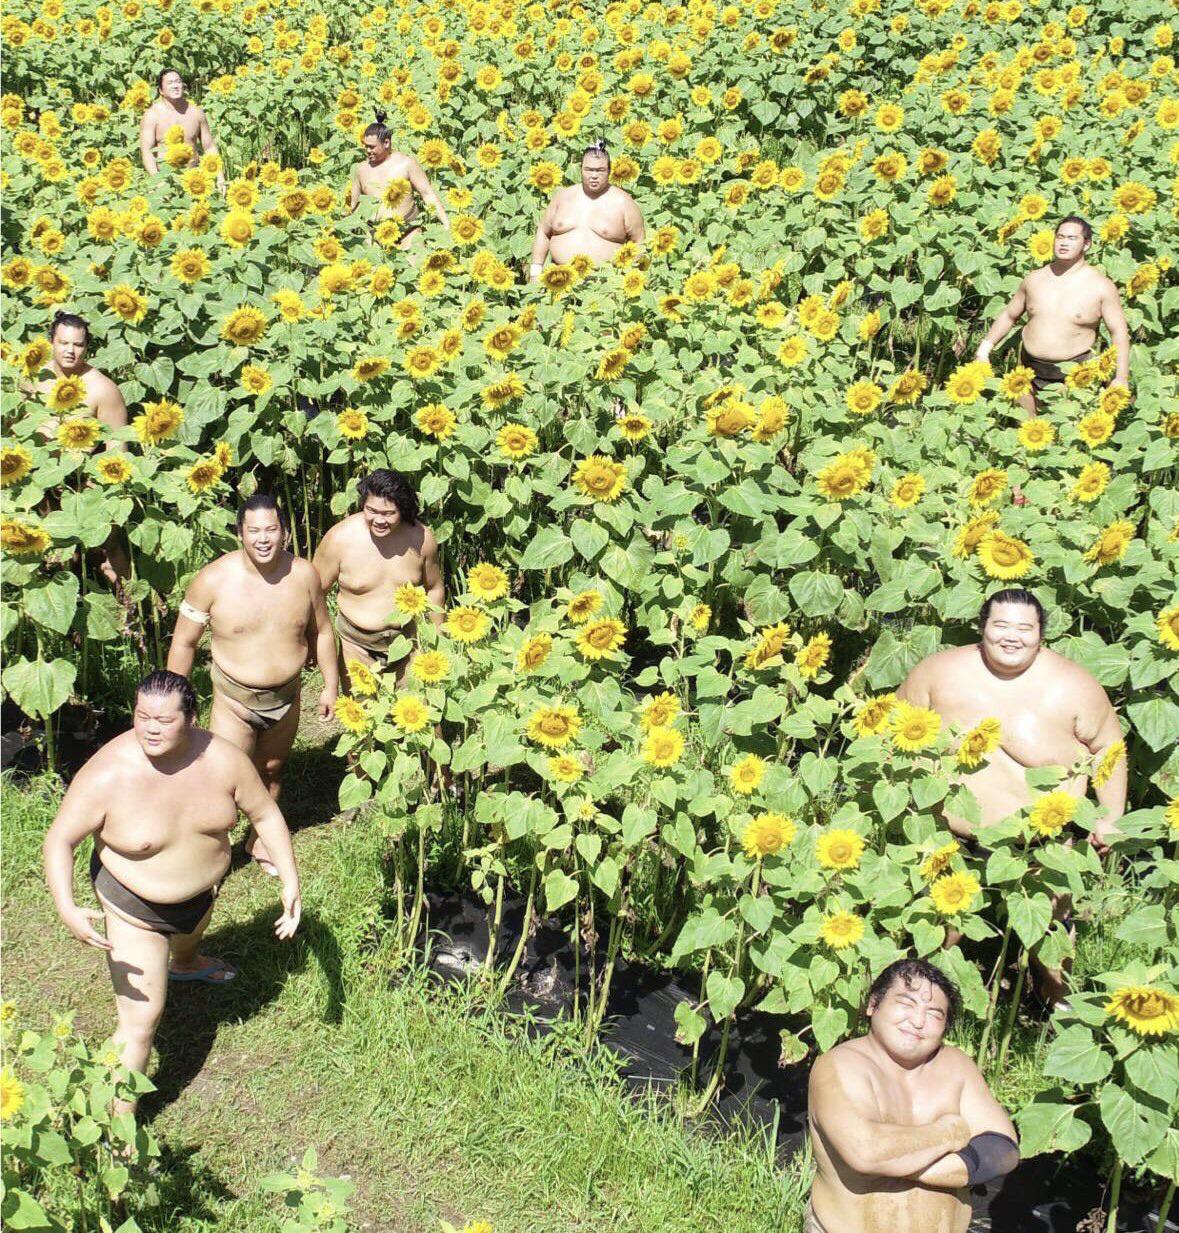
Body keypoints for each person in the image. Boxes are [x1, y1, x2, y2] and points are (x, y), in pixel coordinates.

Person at [43, 671, 301, 1117]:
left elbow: (264, 813)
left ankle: (186, 962)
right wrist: (67, 907)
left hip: (202, 894)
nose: (151, 728)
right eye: (142, 717)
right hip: (133, 906)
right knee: (141, 1023)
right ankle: (117, 1131)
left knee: (188, 940)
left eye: (163, 720)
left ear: (193, 719)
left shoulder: (224, 760)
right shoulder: (108, 773)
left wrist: (290, 878)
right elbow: (59, 840)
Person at [897, 587, 1128, 1002]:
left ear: (1041, 634)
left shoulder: (1073, 686)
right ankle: (924, 1021)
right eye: (1000, 624)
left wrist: (1110, 818)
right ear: (981, 627)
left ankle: (1053, 1023)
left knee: (1051, 945)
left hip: (1042, 845)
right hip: (951, 839)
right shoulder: (937, 673)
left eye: (1025, 627)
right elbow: (892, 733)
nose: (1011, 636)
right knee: (939, 938)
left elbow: (1109, 750)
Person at [167, 494, 338, 874]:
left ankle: (259, 839)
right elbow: (184, 641)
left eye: (271, 530)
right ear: (240, 534)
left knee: (274, 768)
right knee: (219, 780)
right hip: (234, 701)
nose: (263, 539)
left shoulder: (305, 575)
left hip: (287, 696)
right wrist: (175, 704)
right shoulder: (212, 579)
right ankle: (209, 853)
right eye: (254, 531)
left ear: (285, 533)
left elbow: (323, 631)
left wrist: (330, 684)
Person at [807, 959, 1019, 1233]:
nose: (918, 1021)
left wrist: (898, 1160)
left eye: (934, 1014)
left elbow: (1002, 1149)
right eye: (906, 1004)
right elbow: (867, 1151)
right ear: (873, 1004)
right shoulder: (839, 1065)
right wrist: (949, 1132)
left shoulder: (956, 1066)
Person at [974, 215, 1131, 413]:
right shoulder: (1034, 279)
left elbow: (1119, 332)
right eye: (1060, 237)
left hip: (1075, 375)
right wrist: (984, 349)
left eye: (1072, 238)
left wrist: (1121, 377)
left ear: (1086, 244)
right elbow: (1009, 315)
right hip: (1027, 372)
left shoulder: (1100, 287)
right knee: (1025, 431)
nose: (1064, 242)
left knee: (1064, 436)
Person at [313, 470, 443, 689]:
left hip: (406, 642)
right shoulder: (339, 539)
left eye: (389, 513)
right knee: (361, 718)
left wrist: (438, 639)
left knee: (419, 715)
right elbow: (313, 595)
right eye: (371, 510)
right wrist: (314, 640)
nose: (379, 520)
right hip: (354, 644)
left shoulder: (421, 539)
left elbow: (434, 588)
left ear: (402, 509)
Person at [24, 313, 129, 583]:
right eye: (63, 343)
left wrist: (96, 497)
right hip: (41, 479)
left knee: (107, 547)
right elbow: (18, 430)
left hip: (85, 480)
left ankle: (128, 610)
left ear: (87, 347)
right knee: (52, 553)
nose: (70, 351)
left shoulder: (103, 389)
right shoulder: (33, 381)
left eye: (78, 345)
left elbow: (117, 450)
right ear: (51, 342)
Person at [529, 139, 645, 278]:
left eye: (600, 170)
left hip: (604, 283)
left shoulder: (623, 202)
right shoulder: (563, 197)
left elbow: (639, 242)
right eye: (589, 170)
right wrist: (535, 273)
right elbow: (543, 232)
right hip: (558, 281)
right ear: (581, 169)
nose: (594, 176)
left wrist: (633, 278)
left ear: (609, 171)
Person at [348, 111, 449, 249]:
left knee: (415, 267)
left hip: (408, 231)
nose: (368, 150)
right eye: (366, 146)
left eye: (372, 146)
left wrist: (446, 224)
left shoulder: (406, 164)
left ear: (386, 143)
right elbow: (352, 207)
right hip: (375, 236)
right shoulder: (361, 170)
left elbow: (427, 194)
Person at [139, 68, 224, 188]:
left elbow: (209, 147)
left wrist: (219, 177)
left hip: (194, 180)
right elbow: (147, 152)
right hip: (166, 180)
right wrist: (158, 183)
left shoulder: (196, 112)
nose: (175, 86)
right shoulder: (152, 115)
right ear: (161, 91)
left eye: (178, 81)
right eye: (170, 83)